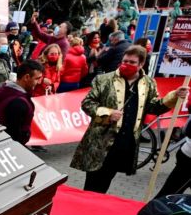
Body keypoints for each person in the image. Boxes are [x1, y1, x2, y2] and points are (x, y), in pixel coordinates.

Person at [71, 46, 188, 194]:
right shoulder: (104, 80)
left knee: (106, 180)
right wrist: (106, 113)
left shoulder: (148, 83)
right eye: (124, 61)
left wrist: (174, 96)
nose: (126, 64)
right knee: (93, 182)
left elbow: (153, 107)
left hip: (124, 143)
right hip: (100, 141)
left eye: (132, 62)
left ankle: (93, 207)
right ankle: (84, 208)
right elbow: (87, 104)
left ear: (141, 64)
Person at [0, 60, 45, 146]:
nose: (39, 82)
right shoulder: (18, 102)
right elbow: (13, 134)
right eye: (37, 78)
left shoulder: (11, 92)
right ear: (26, 77)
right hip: (14, 147)